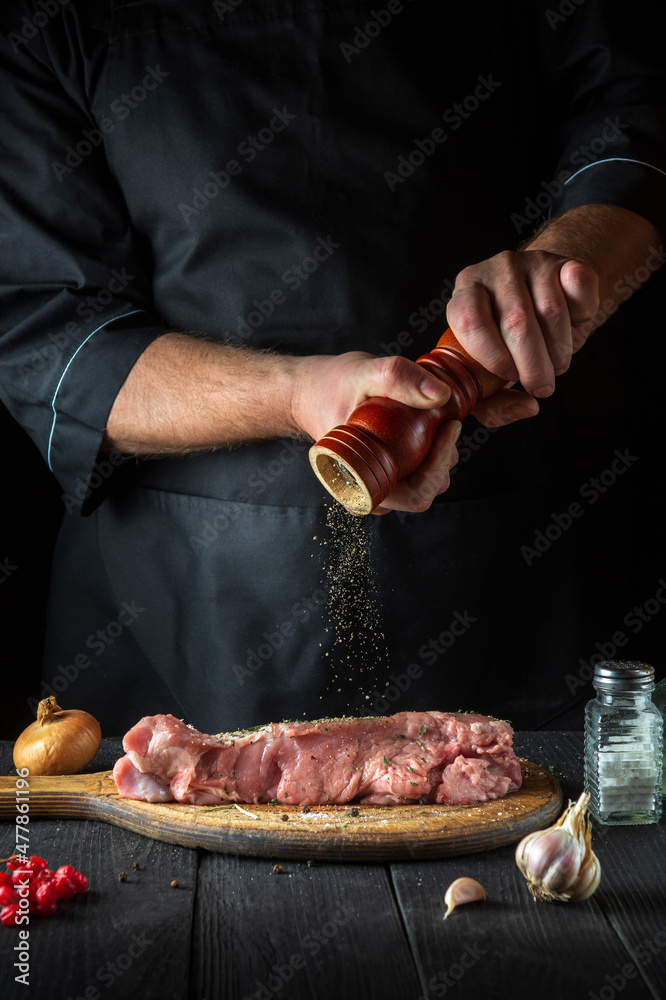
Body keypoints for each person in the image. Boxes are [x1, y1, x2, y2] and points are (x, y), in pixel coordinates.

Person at [1, 0, 665, 735]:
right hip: (178, 595)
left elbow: (633, 117)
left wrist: (563, 265)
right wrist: (293, 394)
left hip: (489, 559)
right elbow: (49, 333)